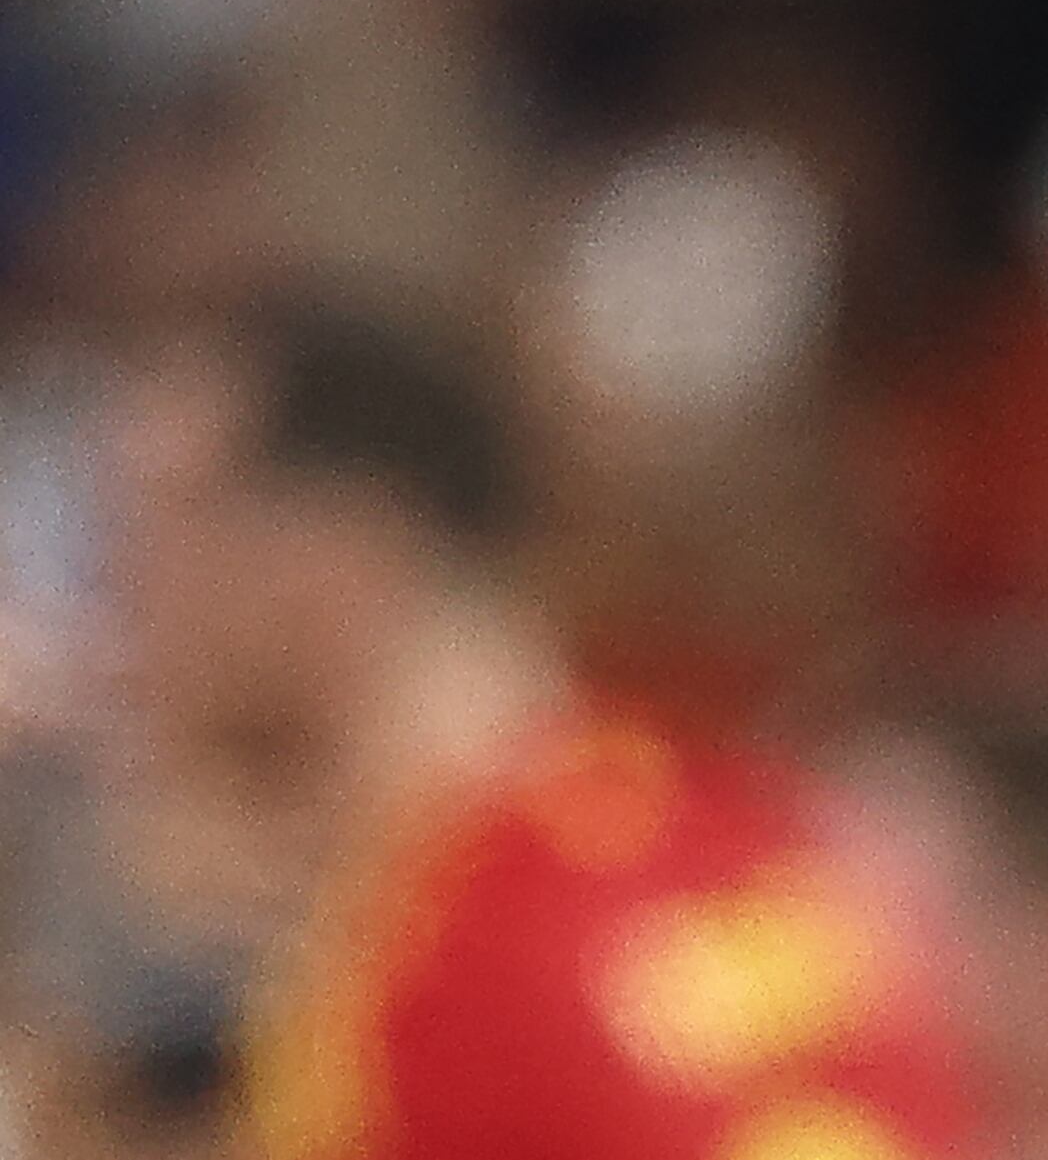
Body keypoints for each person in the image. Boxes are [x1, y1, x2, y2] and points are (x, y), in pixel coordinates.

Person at [101, 292, 982, 1160]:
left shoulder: (421, 978)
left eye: (158, 521)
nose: (117, 589)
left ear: (333, 555)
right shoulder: (765, 838)